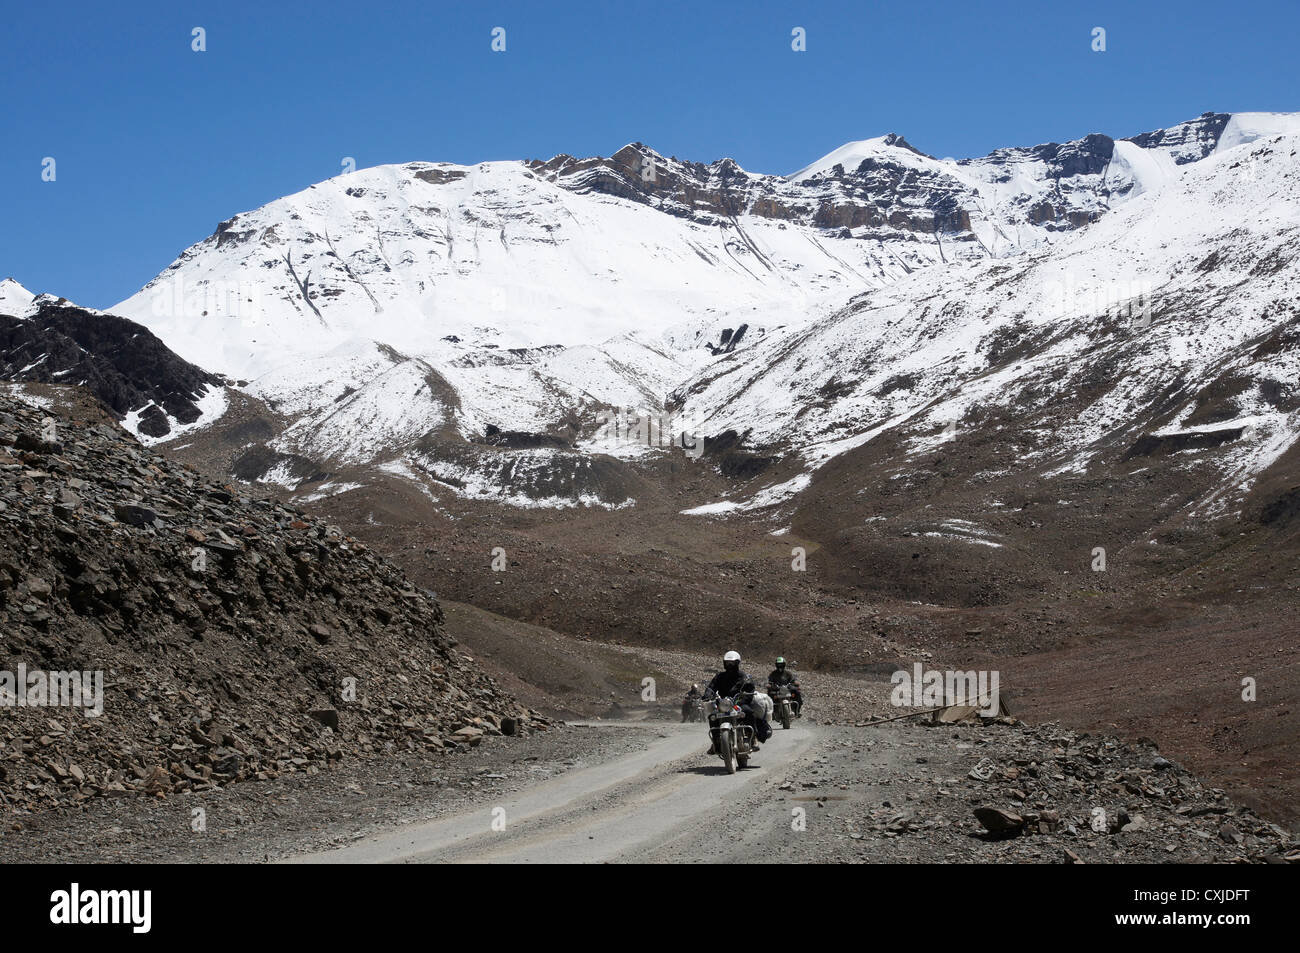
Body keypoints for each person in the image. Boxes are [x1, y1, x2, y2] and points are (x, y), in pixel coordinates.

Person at [704, 651, 761, 751]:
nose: (729, 665)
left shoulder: (744, 677)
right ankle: (716, 741)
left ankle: (753, 738)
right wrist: (707, 694)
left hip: (738, 703)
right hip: (723, 704)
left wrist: (744, 699)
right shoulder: (720, 676)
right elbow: (712, 687)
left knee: (748, 711)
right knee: (712, 716)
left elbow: (750, 688)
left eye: (732, 663)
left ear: (737, 663)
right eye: (727, 663)